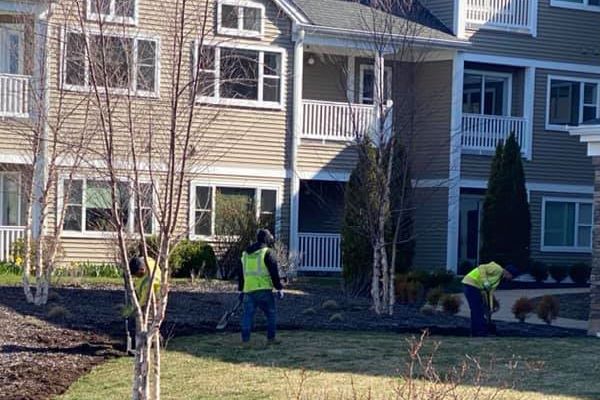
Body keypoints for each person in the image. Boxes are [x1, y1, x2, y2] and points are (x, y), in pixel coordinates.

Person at [238, 228, 284, 345]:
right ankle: (271, 339)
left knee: (247, 316)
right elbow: (274, 273)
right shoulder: (268, 252)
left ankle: (245, 341)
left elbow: (241, 273)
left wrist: (241, 290)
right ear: (267, 239)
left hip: (248, 290)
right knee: (271, 314)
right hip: (264, 290)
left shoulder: (245, 254)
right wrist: (279, 288)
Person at [462, 262, 518, 336]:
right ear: (507, 272)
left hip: (475, 287)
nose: (511, 278)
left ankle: (476, 332)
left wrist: (490, 308)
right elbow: (482, 267)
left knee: (477, 310)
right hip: (471, 283)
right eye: (512, 276)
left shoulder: (498, 279)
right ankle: (479, 332)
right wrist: (485, 281)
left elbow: (490, 293)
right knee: (477, 310)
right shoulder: (497, 268)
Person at [123, 256, 161, 353]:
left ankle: (150, 341)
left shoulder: (149, 282)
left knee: (146, 318)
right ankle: (147, 340)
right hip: (144, 294)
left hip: (154, 298)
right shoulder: (144, 261)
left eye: (136, 274)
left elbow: (143, 302)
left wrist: (134, 310)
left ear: (142, 269)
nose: (135, 276)